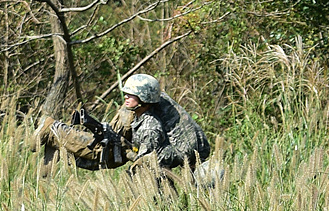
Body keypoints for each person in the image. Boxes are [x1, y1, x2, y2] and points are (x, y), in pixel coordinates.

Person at [35, 73, 210, 177]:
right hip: (140, 113)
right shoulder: (186, 151)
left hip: (146, 107)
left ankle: (60, 145)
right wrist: (129, 151)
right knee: (102, 151)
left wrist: (129, 151)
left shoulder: (193, 149)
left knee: (108, 161)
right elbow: (145, 163)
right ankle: (52, 131)